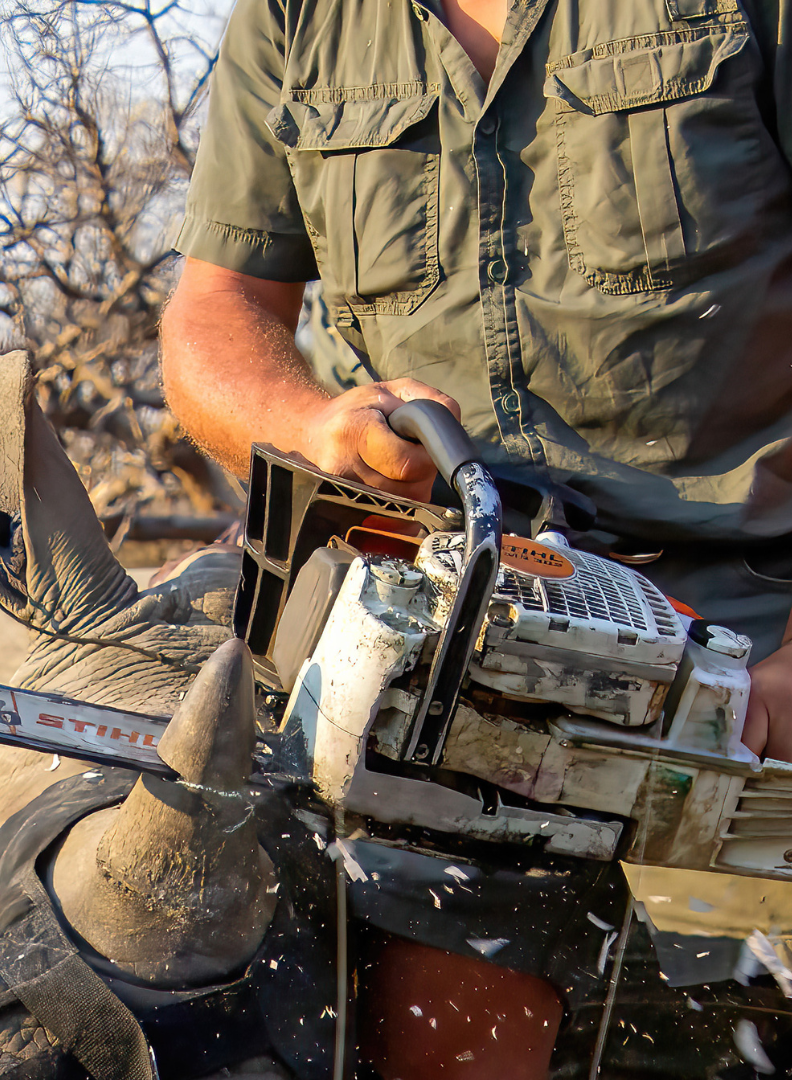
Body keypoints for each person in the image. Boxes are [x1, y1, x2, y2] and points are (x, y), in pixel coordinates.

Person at [161, 0, 792, 1073]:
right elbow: (215, 313)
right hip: (450, 651)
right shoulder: (293, 19)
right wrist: (315, 421)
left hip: (749, 634)